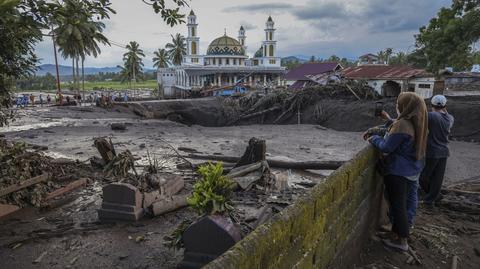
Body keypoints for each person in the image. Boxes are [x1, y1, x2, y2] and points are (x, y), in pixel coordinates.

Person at [364, 92, 428, 251]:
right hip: (412, 169)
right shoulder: (419, 121)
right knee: (407, 202)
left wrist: (372, 138)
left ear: (405, 107)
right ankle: (397, 233)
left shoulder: (402, 125)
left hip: (398, 171)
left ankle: (402, 241)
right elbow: (398, 127)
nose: (396, 106)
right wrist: (388, 120)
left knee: (397, 205)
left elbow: (387, 146)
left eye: (398, 103)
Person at [420, 95, 454, 206]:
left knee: (423, 177)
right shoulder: (450, 118)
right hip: (444, 151)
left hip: (432, 151)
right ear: (445, 106)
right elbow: (446, 115)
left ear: (432, 105)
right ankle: (431, 198)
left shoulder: (431, 116)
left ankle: (432, 196)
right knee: (437, 178)